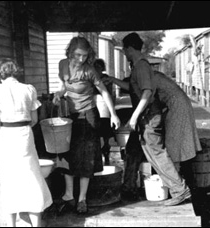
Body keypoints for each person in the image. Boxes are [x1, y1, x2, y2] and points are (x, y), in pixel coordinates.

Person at [103, 32, 191, 206]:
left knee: (156, 153)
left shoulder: (142, 66)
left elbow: (147, 92)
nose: (124, 54)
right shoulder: (137, 66)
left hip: (149, 117)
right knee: (132, 151)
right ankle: (128, 189)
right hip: (144, 117)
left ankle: (180, 190)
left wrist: (134, 117)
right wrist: (112, 80)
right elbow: (132, 86)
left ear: (129, 49)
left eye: (125, 50)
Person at [0, 58, 52, 227]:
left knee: (9, 181)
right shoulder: (28, 89)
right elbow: (34, 119)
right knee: (31, 179)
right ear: (16, 72)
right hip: (24, 136)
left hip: (5, 137)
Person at [52, 36, 120, 214]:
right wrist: (59, 94)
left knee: (86, 156)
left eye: (84, 56)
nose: (81, 59)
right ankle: (68, 195)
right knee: (66, 153)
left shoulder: (89, 71)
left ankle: (82, 199)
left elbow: (104, 92)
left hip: (89, 115)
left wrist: (113, 114)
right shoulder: (63, 65)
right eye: (77, 55)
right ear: (70, 53)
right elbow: (63, 86)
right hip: (70, 115)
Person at [93, 58, 115, 165]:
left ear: (102, 68)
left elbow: (108, 93)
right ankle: (98, 151)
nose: (97, 69)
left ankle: (106, 150)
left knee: (105, 128)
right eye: (95, 66)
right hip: (94, 103)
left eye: (99, 66)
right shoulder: (91, 78)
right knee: (96, 129)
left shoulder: (105, 79)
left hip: (103, 105)